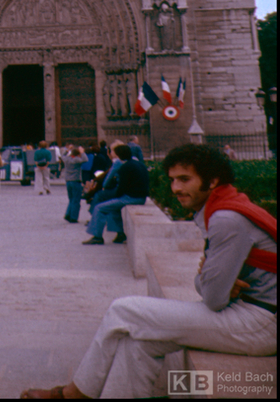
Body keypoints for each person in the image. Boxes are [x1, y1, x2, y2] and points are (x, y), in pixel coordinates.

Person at [21, 144, 276, 399]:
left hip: (259, 323)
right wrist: (212, 278)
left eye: (184, 179)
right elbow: (213, 288)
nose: (175, 188)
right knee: (135, 343)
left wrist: (207, 277)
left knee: (122, 310)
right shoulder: (224, 208)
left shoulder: (225, 220)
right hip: (248, 315)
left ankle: (74, 394)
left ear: (212, 180)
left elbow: (213, 298)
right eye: (172, 180)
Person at [82, 144, 148, 245]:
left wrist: (113, 195)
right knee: (113, 208)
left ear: (118, 155)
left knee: (99, 208)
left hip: (131, 198)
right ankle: (120, 234)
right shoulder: (138, 164)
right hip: (140, 197)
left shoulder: (125, 167)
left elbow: (121, 187)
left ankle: (97, 236)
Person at [58, 144, 88, 223]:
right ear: (78, 154)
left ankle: (68, 214)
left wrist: (67, 150)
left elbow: (62, 156)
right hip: (75, 180)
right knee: (76, 200)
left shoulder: (67, 159)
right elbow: (85, 159)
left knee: (71, 199)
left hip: (68, 181)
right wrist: (82, 152)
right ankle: (73, 217)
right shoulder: (77, 160)